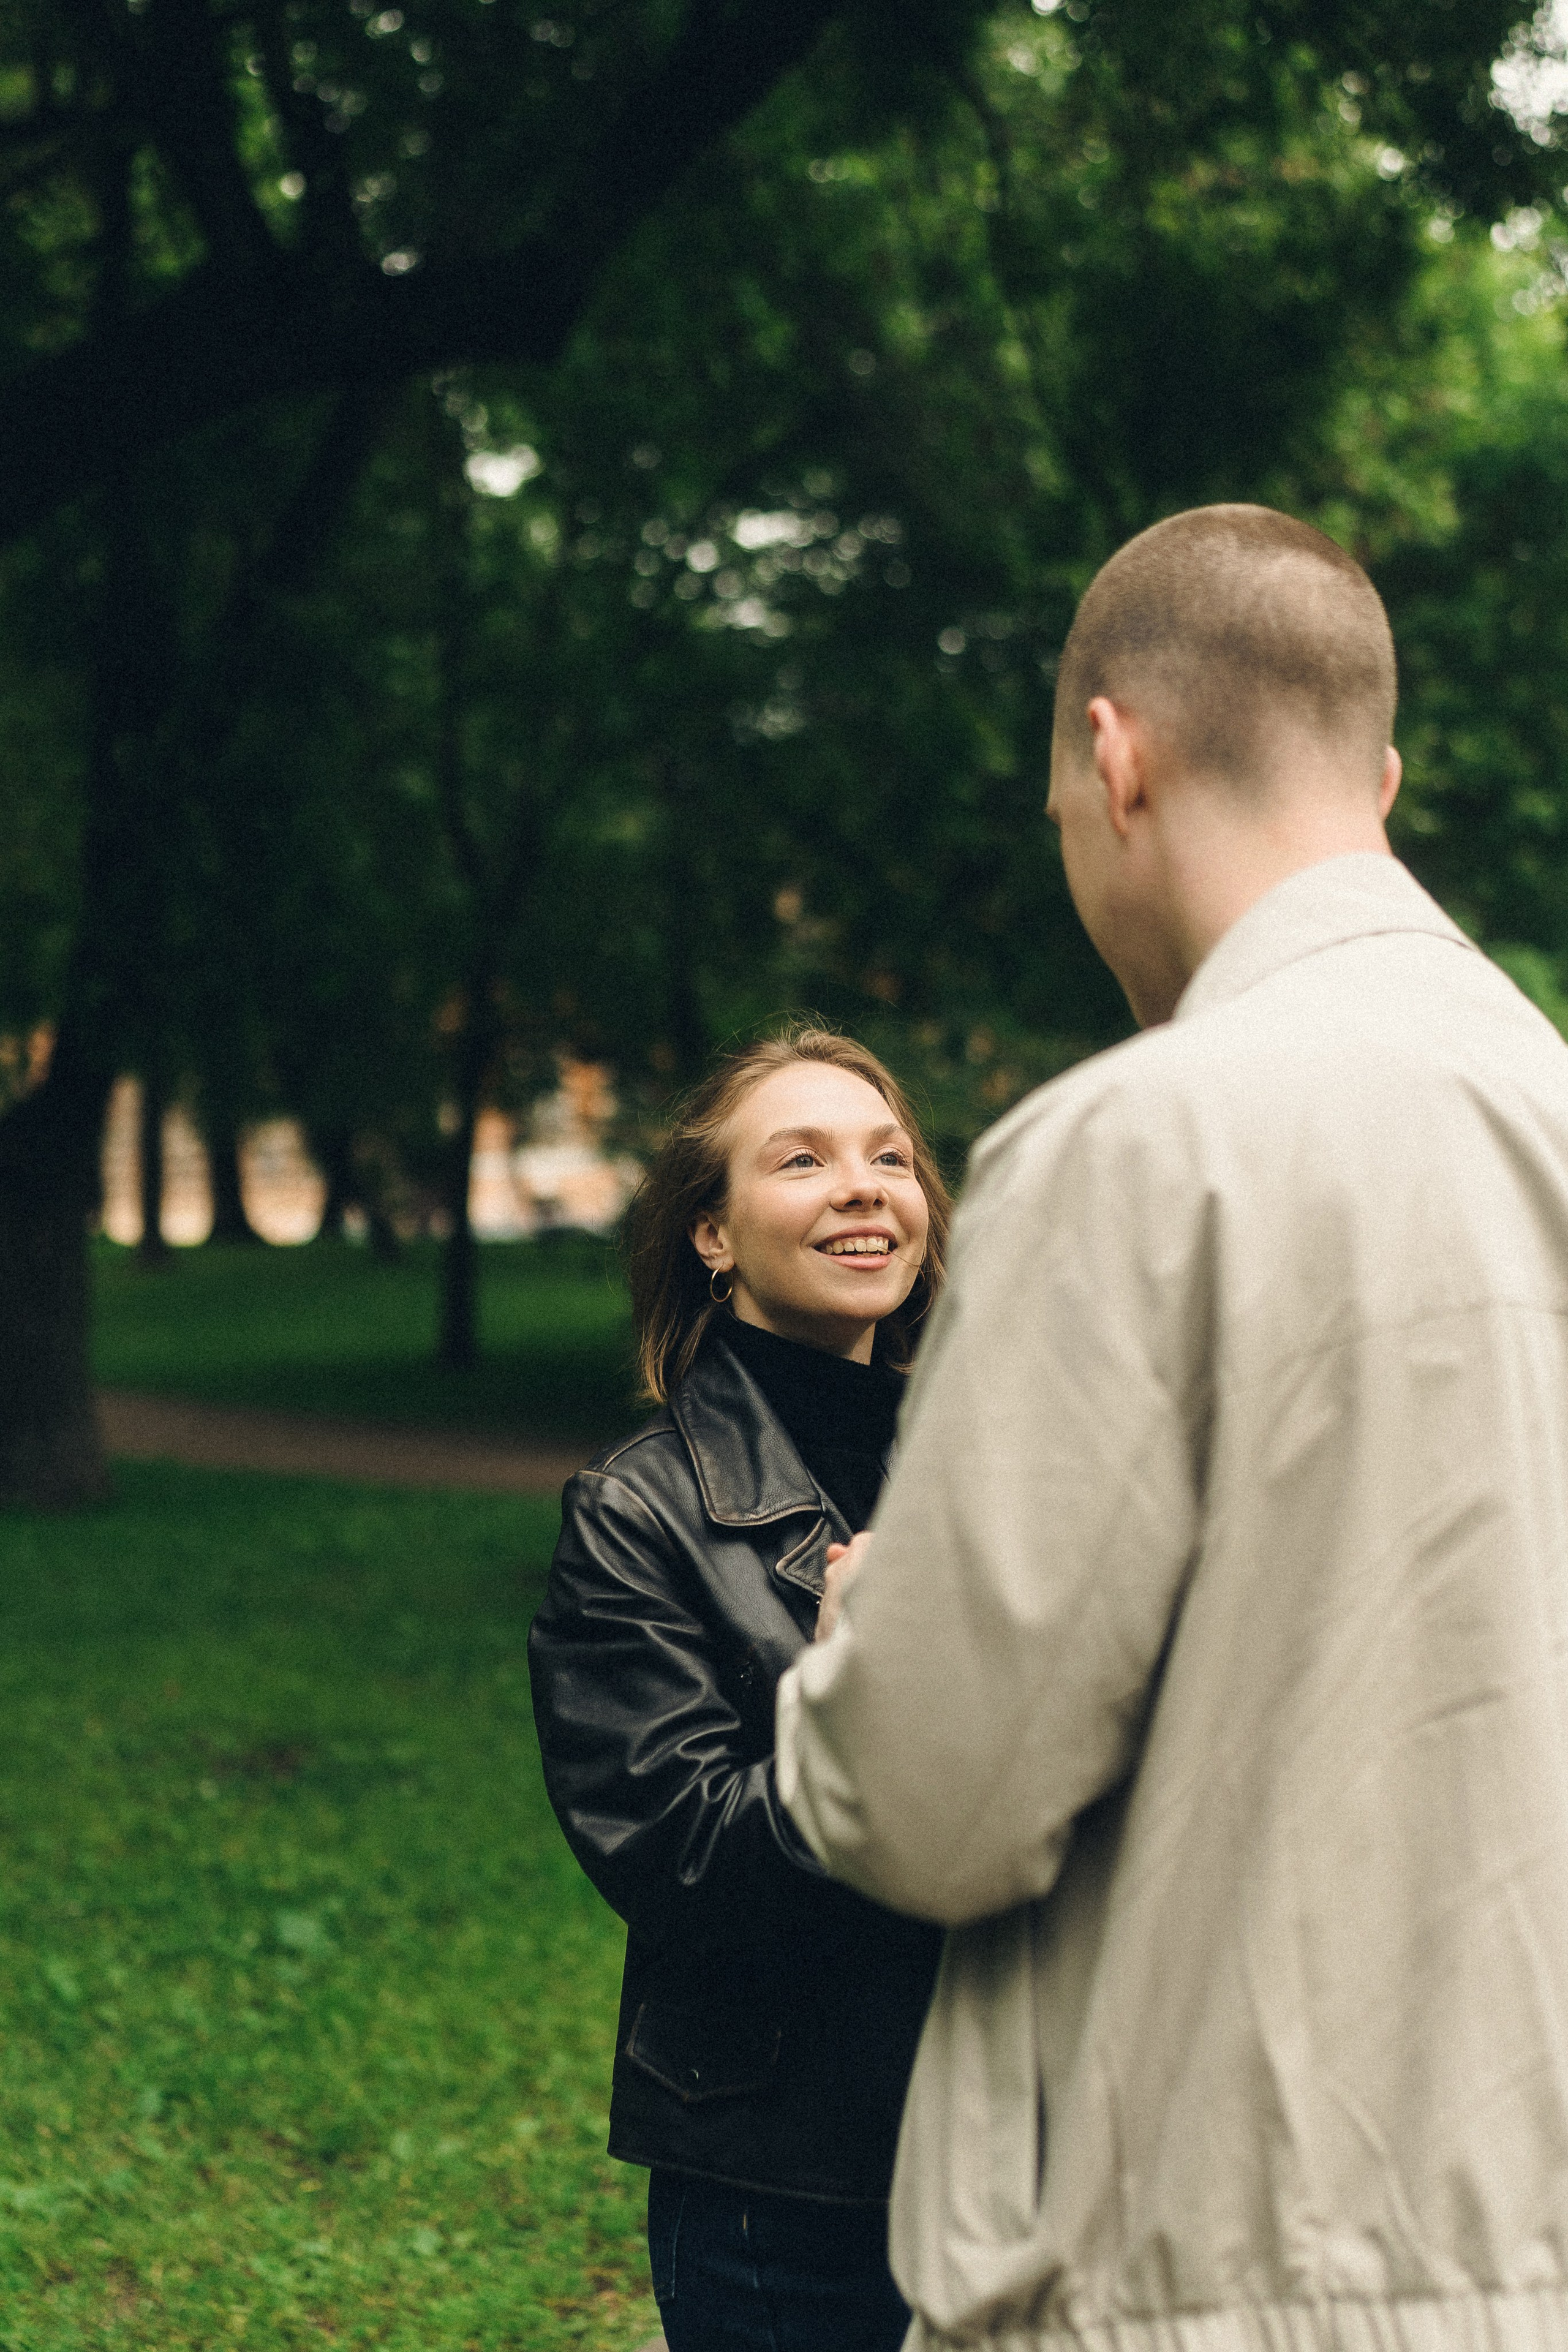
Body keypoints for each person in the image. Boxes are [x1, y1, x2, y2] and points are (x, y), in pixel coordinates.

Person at [776, 504, 1568, 2352]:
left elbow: (932, 1806)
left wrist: (858, 1645)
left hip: (1224, 2264)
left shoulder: (1139, 1146)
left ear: (1114, 757)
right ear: (1378, 774)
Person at [527, 1025, 951, 2352]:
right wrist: (843, 1693)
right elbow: (678, 1859)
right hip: (790, 2173)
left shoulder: (994, 1466)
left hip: (1018, 2133)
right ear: (711, 1233)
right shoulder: (636, 1513)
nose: (862, 1186)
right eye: (803, 1159)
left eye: (889, 1157)